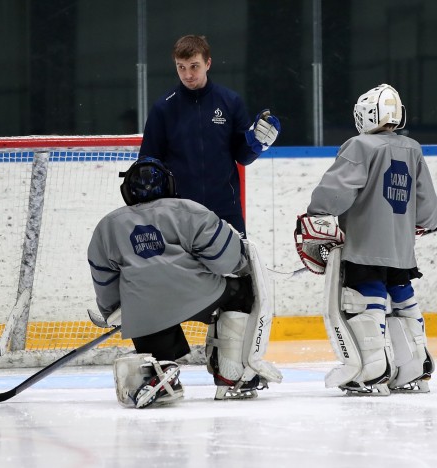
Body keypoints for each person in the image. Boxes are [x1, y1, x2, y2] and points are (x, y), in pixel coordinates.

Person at [88, 157, 282, 408]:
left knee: (150, 324)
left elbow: (104, 280)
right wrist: (238, 261)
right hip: (200, 296)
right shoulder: (189, 210)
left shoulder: (107, 226)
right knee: (240, 292)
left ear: (126, 191)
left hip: (145, 310)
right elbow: (226, 262)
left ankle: (161, 369)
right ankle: (231, 374)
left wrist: (113, 310)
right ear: (169, 185)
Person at [297, 84, 437, 395]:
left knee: (365, 298)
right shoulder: (412, 148)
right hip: (402, 250)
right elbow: (428, 209)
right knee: (401, 292)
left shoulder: (360, 146)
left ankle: (372, 369)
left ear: (368, 114)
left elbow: (334, 193)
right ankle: (414, 364)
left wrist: (316, 212)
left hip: (364, 246)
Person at [138, 34, 281, 237]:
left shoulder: (231, 102)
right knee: (182, 270)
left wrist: (258, 143)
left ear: (208, 63)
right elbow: (148, 159)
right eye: (181, 67)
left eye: (194, 66)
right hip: (179, 213)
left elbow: (242, 156)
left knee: (238, 268)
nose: (187, 74)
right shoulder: (163, 108)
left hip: (226, 211)